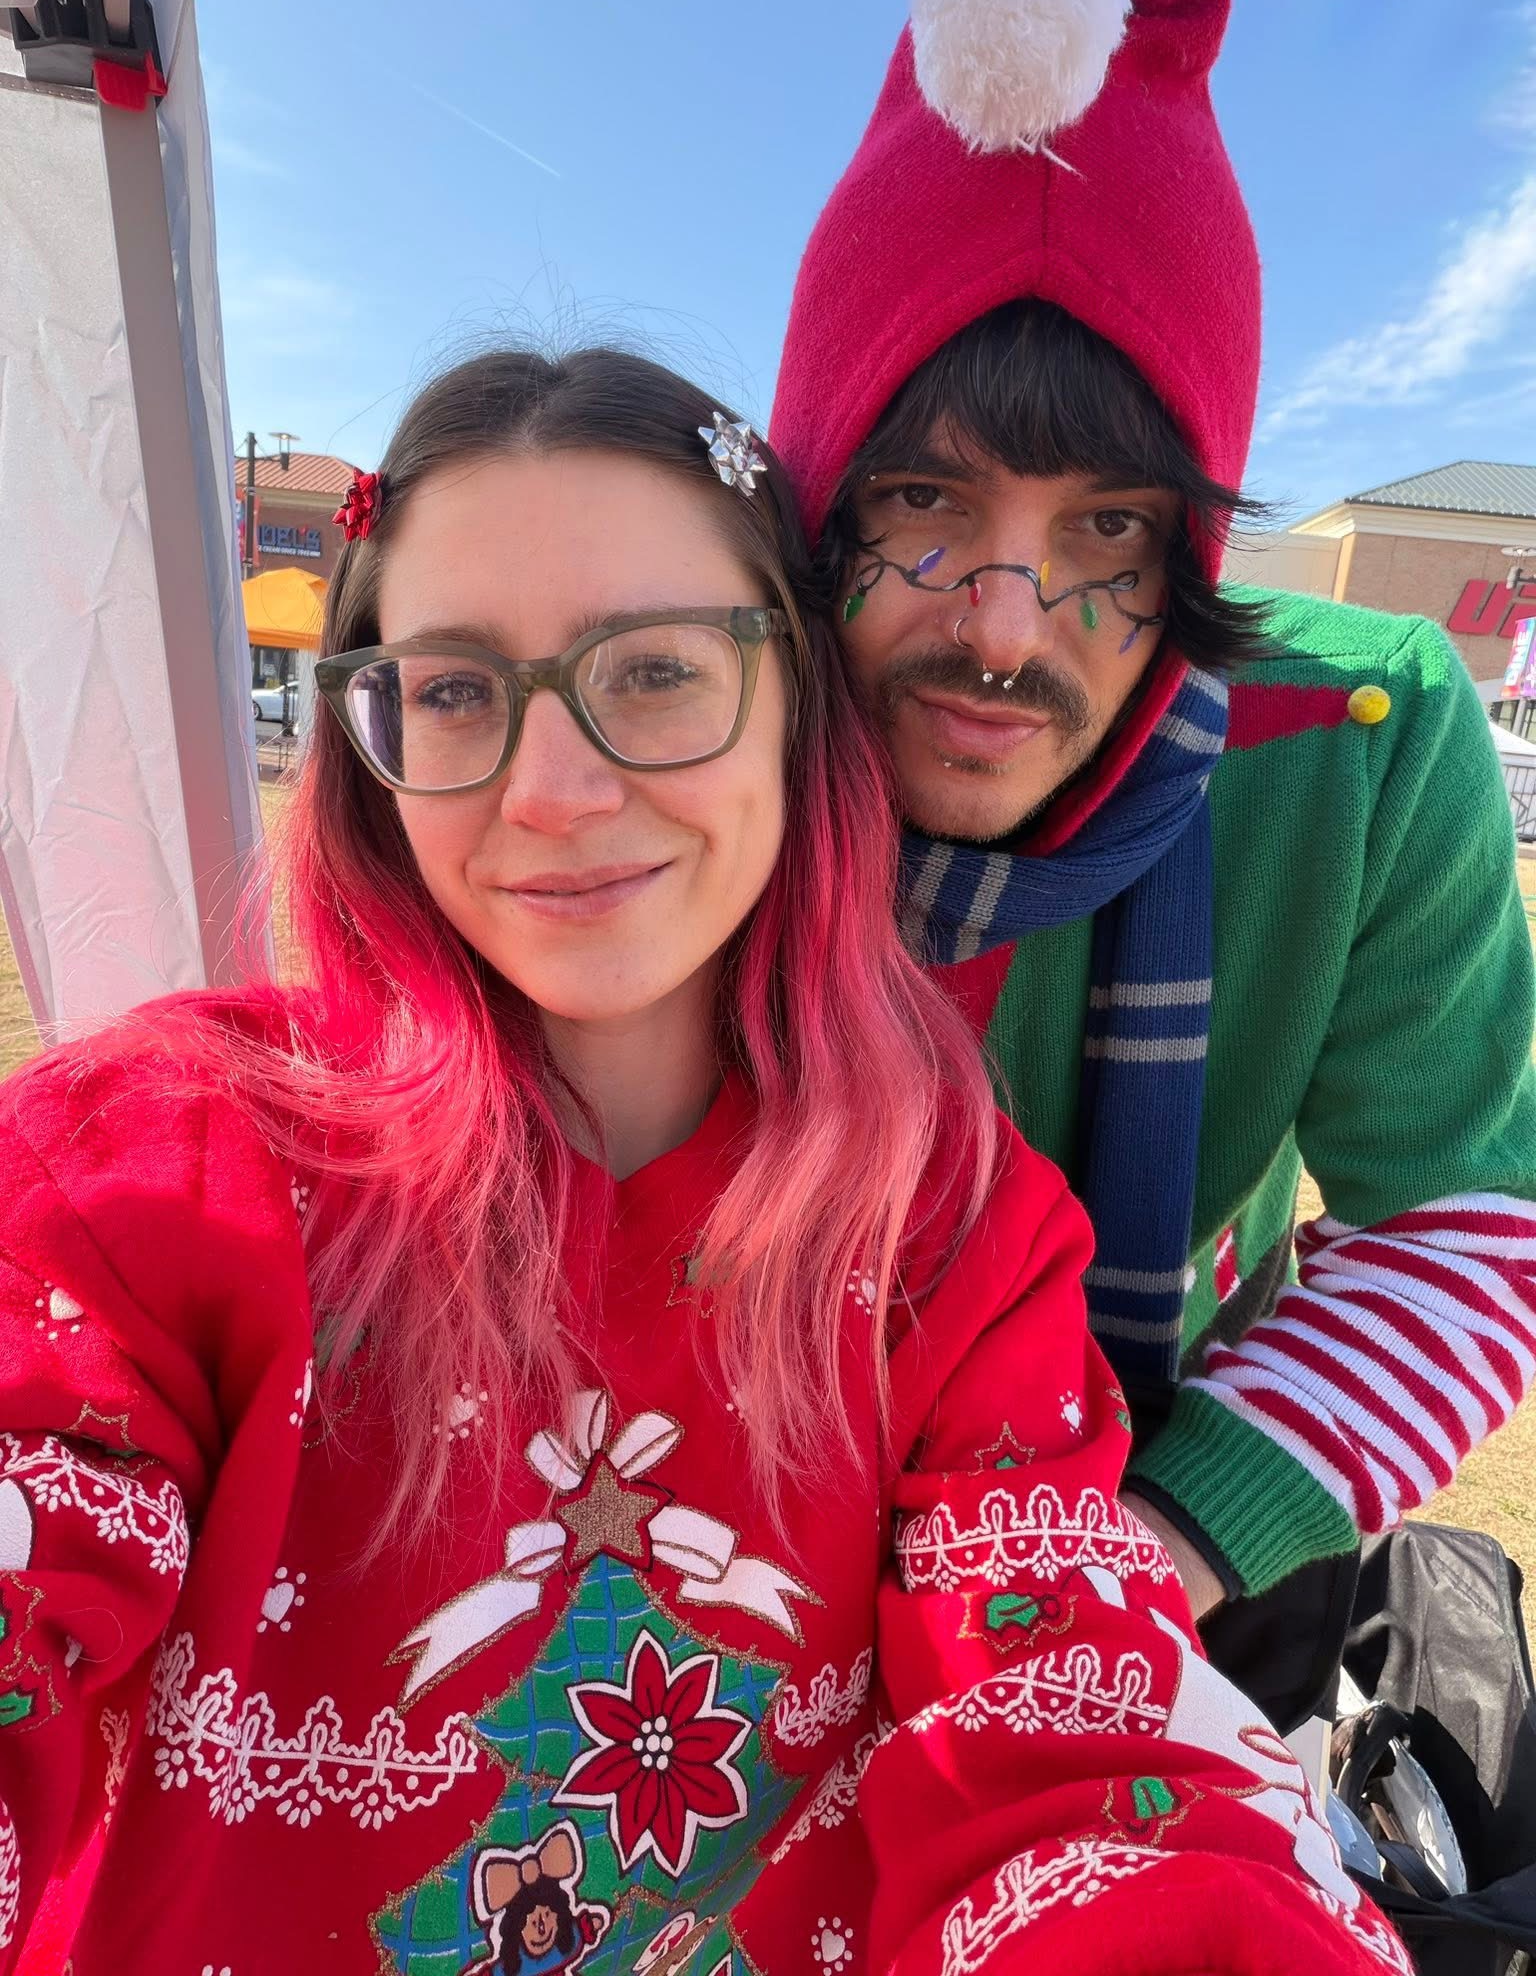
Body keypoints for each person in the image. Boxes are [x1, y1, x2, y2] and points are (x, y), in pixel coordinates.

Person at [0, 348, 1406, 1974]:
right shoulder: (159, 1164)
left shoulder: (952, 1234)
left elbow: (1071, 1723)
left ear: (800, 704)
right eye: (452, 690)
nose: (553, 791)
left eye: (653, 672)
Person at [769, 0, 1536, 1728]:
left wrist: (1146, 1560)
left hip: (1189, 1520)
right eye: (920, 495)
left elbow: (1467, 1225)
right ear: (815, 503)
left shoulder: (1359, 736)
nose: (1008, 624)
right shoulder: (682, 731)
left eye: (1112, 526)